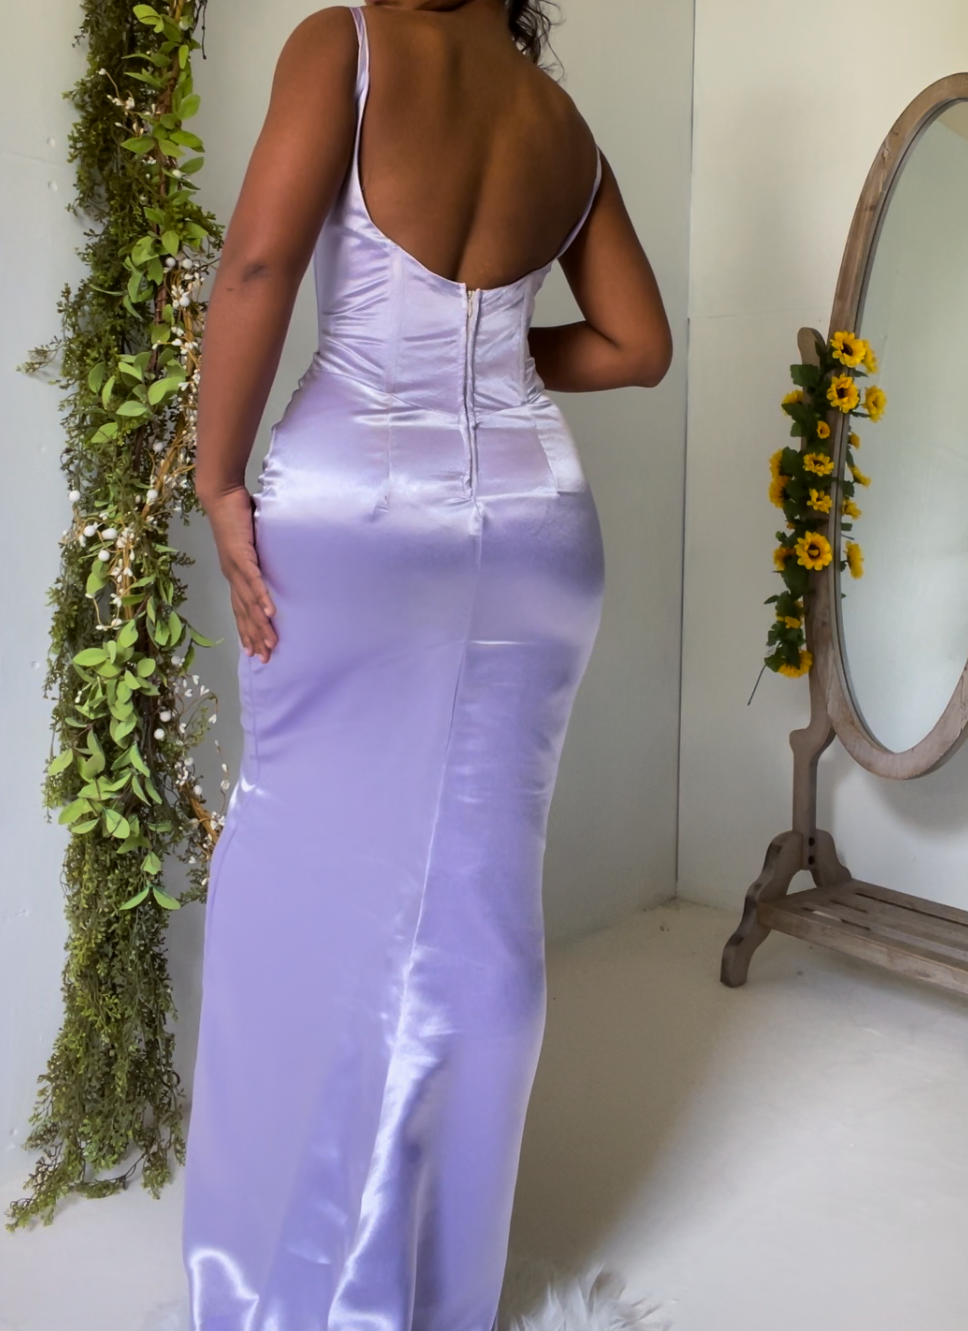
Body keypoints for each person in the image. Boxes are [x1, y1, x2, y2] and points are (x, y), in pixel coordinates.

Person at [182, 1, 672, 1328]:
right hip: (537, 534)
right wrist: (493, 356)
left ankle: (295, 1273)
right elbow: (639, 346)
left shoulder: (343, 43)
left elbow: (258, 267)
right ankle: (435, 1277)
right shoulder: (556, 117)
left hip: (358, 520)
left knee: (300, 878)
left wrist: (218, 482)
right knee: (473, 903)